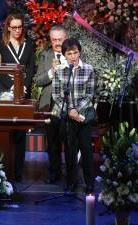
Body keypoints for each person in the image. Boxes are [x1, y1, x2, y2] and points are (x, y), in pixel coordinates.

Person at [51, 38, 95, 193]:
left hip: (83, 115)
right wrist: (70, 111)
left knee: (86, 149)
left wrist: (77, 110)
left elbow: (90, 94)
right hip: (68, 116)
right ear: (64, 55)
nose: (73, 56)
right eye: (69, 53)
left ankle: (89, 182)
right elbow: (56, 95)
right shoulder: (60, 70)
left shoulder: (88, 69)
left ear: (79, 52)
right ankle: (71, 182)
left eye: (75, 52)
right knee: (70, 149)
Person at [0, 14, 36, 182]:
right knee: (6, 131)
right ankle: (3, 169)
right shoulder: (1, 44)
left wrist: (24, 87)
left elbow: (31, 67)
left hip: (23, 93)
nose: (18, 30)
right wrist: (12, 87)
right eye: (14, 27)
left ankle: (18, 171)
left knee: (20, 132)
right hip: (6, 92)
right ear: (8, 28)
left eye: (20, 27)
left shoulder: (29, 44)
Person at [34, 25, 68, 184]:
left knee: (69, 141)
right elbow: (38, 80)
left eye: (60, 39)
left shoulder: (72, 54)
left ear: (65, 38)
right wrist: (51, 72)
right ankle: (54, 172)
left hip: (68, 105)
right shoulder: (45, 56)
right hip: (50, 105)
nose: (57, 43)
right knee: (52, 143)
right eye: (54, 40)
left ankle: (71, 174)